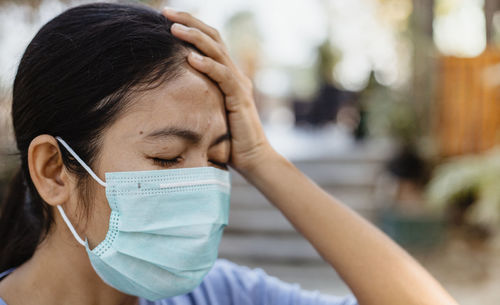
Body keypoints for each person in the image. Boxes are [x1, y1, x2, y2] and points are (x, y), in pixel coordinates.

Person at [0, 3, 459, 305]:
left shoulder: (223, 294)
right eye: (167, 157)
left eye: (220, 159)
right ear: (54, 169)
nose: (201, 185)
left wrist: (262, 158)